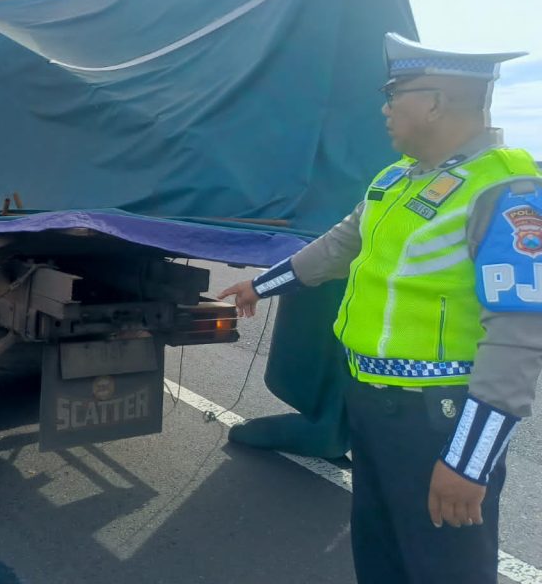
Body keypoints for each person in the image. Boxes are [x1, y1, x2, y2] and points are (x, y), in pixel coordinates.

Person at [219, 33, 542, 584]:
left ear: (436, 102)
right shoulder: (395, 179)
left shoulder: (505, 190)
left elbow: (519, 334)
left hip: (440, 417)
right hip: (370, 405)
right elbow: (339, 247)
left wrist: (469, 459)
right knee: (381, 553)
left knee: (445, 567)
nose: (386, 108)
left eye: (394, 93)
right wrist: (260, 287)